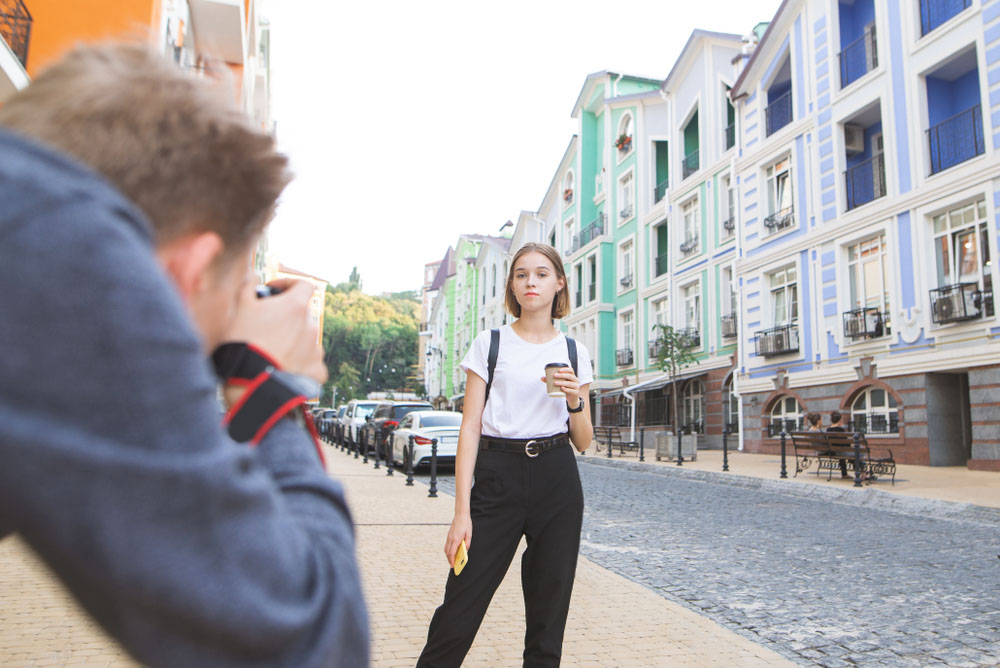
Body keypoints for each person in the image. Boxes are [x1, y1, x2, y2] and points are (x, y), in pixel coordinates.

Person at [0, 44, 368, 667]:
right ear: (186, 275)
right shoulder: (73, 259)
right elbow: (312, 644)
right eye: (230, 300)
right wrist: (268, 383)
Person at [417, 243, 594, 668]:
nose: (531, 281)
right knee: (460, 607)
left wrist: (574, 399)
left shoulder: (574, 351)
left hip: (557, 478)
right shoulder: (489, 343)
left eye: (541, 273)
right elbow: (471, 426)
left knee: (548, 620)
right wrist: (462, 512)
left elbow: (584, 441)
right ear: (512, 286)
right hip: (498, 477)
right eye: (521, 274)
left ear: (559, 283)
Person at [826, 411, 850, 478]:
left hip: (833, 451)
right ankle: (862, 473)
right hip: (841, 451)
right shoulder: (841, 429)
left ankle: (844, 474)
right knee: (856, 453)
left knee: (840, 450)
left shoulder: (828, 430)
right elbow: (846, 442)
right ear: (839, 420)